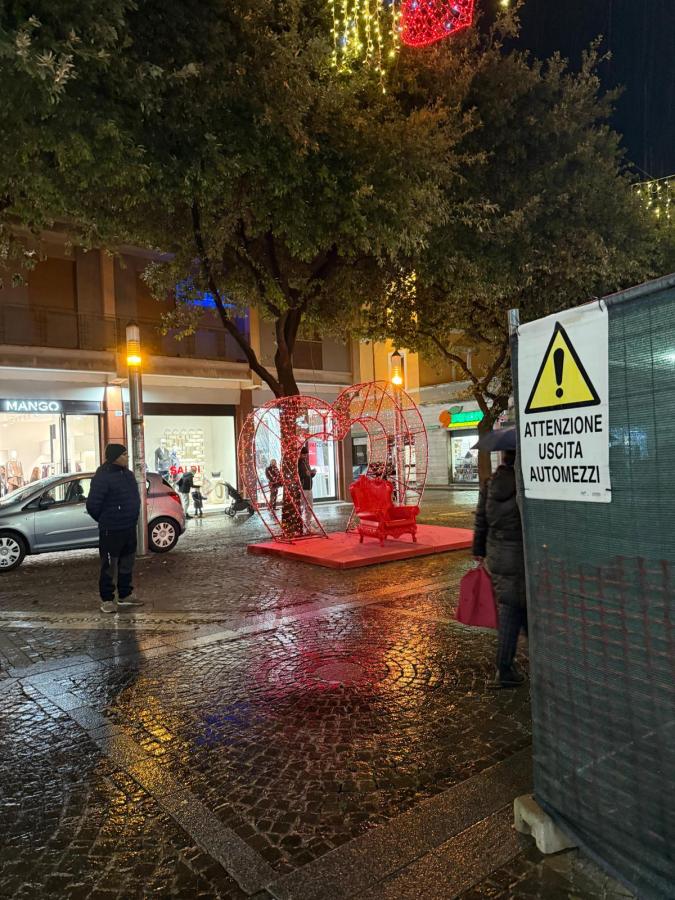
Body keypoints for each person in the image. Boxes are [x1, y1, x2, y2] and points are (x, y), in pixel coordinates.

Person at [472, 449, 527, 689]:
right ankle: (504, 668)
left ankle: (511, 666)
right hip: (519, 555)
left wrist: (479, 550)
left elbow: (480, 519)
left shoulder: (490, 483)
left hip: (497, 554)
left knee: (517, 608)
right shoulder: (524, 485)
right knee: (512, 611)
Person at [86, 443, 143, 614]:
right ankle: (107, 599)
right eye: (124, 454)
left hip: (128, 527)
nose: (127, 457)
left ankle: (125, 594)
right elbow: (93, 505)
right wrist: (106, 519)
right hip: (111, 530)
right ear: (115, 457)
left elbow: (134, 498)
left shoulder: (128, 474)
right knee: (109, 566)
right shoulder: (102, 476)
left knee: (127, 563)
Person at [298, 445, 316, 529]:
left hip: (309, 487)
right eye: (304, 455)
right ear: (301, 454)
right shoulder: (299, 463)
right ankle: (300, 523)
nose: (305, 456)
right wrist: (306, 474)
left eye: (306, 455)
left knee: (310, 507)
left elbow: (309, 475)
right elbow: (300, 475)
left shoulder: (306, 462)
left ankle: (308, 523)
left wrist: (313, 473)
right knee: (301, 506)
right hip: (303, 488)